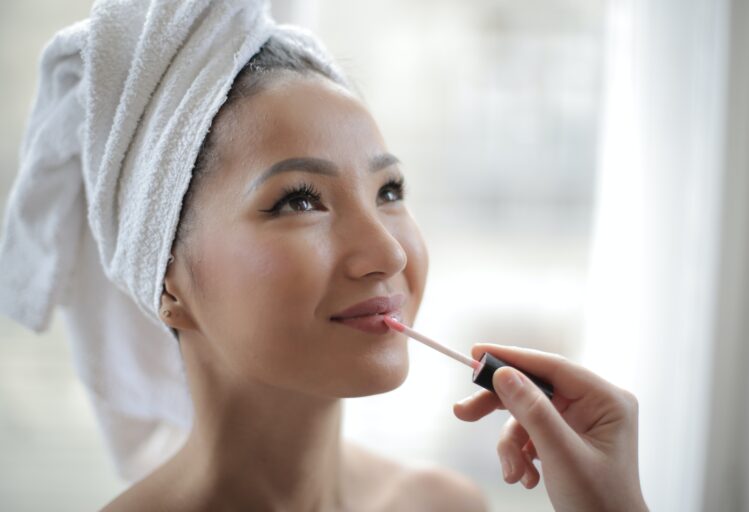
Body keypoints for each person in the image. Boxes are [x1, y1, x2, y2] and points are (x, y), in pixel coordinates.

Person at [99, 35, 649, 511]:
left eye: (389, 191)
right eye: (299, 201)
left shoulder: (446, 507)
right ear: (167, 277)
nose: (389, 253)